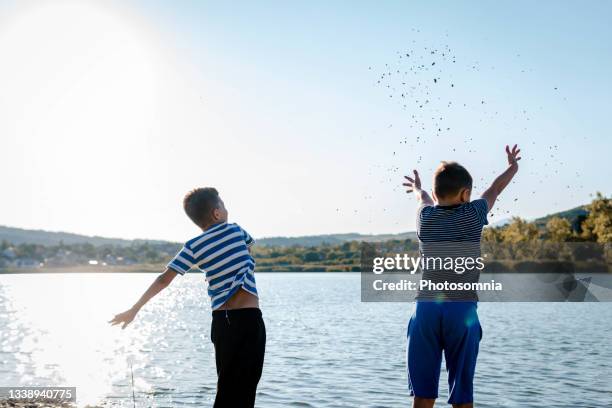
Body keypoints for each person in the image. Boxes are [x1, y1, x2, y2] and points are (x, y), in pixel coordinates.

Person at [109, 187, 265, 408]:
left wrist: (134, 309)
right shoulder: (237, 231)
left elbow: (164, 279)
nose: (226, 209)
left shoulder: (193, 246)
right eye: (223, 205)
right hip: (250, 319)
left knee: (228, 386)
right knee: (246, 388)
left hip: (223, 323)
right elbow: (248, 253)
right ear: (217, 213)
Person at [402, 145, 521, 408]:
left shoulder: (425, 217)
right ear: (466, 194)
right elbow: (494, 190)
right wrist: (513, 167)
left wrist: (417, 189)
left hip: (426, 310)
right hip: (462, 312)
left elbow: (422, 199)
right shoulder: (474, 213)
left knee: (423, 395)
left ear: (436, 193)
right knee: (462, 395)